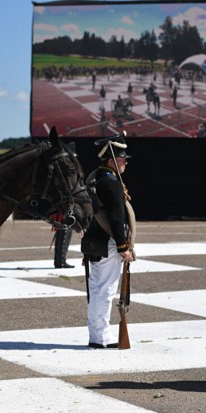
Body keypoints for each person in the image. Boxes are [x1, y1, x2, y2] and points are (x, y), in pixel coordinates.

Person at [81, 134, 134, 349]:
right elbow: (116, 217)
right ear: (112, 161)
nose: (125, 162)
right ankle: (102, 337)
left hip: (95, 241)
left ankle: (96, 335)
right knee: (106, 290)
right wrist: (123, 247)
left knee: (97, 289)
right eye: (122, 159)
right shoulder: (110, 183)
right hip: (109, 242)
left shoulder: (96, 178)